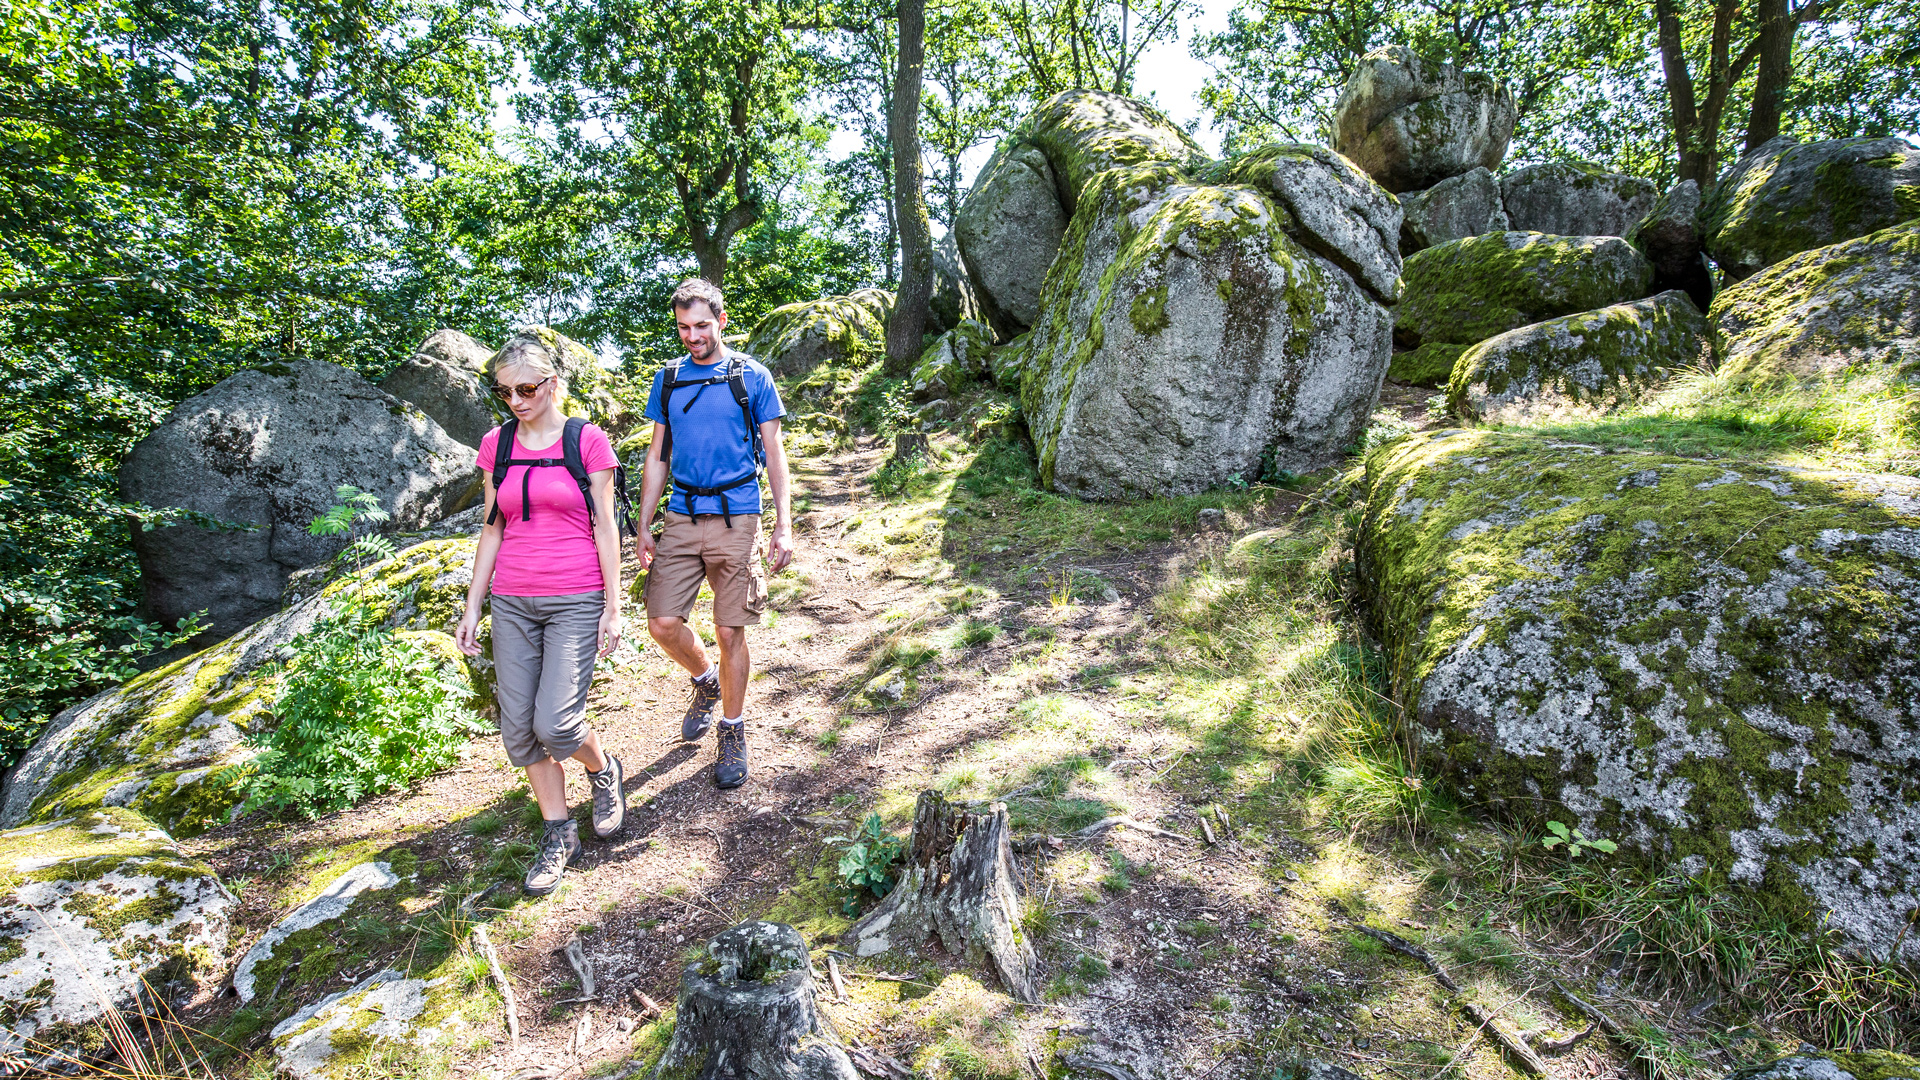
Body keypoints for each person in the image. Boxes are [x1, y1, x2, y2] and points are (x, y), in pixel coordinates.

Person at [455, 335, 628, 896]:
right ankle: (560, 833)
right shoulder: (495, 445)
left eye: (526, 388)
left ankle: (603, 771)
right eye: (504, 391)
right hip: (511, 600)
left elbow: (607, 526)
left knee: (555, 722)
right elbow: (491, 527)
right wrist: (473, 603)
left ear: (552, 384)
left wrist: (614, 605)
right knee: (518, 730)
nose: (516, 400)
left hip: (575, 595)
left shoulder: (588, 442)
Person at [635, 278, 794, 790]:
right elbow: (658, 456)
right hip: (681, 513)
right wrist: (644, 523)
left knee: (730, 629)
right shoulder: (669, 379)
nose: (692, 336)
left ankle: (732, 728)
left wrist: (783, 525)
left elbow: (774, 453)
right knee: (661, 622)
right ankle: (704, 681)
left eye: (701, 325)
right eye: (684, 327)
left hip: (738, 513)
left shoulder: (751, 376)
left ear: (721, 321)